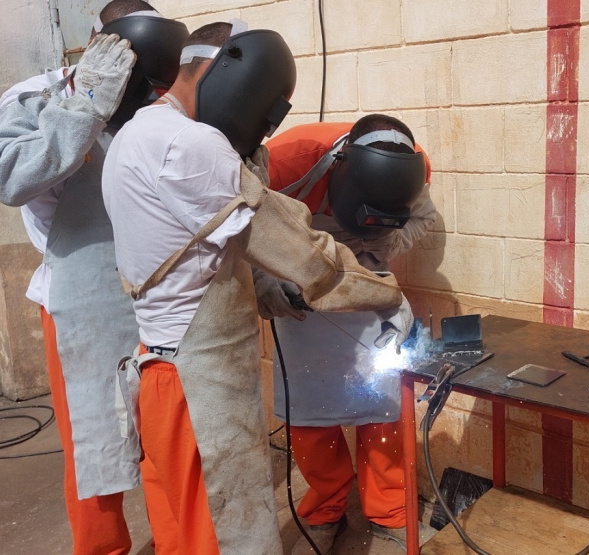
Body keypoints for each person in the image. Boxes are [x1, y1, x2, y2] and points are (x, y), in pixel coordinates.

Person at [102, 22, 414, 554]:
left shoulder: (137, 132)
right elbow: (308, 258)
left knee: (186, 535)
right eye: (267, 111)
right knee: (231, 538)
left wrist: (266, 289)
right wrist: (387, 295)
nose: (265, 132)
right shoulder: (191, 144)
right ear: (235, 75)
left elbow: (202, 252)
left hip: (162, 371)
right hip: (199, 392)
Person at [0, 3, 187, 553]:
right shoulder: (33, 97)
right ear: (97, 42)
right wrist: (88, 103)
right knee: (94, 444)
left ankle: (180, 544)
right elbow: (11, 178)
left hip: (158, 297)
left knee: (165, 439)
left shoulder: (164, 99)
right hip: (79, 300)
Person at [261, 115, 436, 553]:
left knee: (382, 397)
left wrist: (379, 248)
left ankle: (391, 509)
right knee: (310, 406)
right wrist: (266, 276)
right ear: (340, 170)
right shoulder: (286, 162)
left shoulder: (413, 170)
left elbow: (424, 218)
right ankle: (324, 507)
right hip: (296, 281)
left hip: (365, 278)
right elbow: (237, 220)